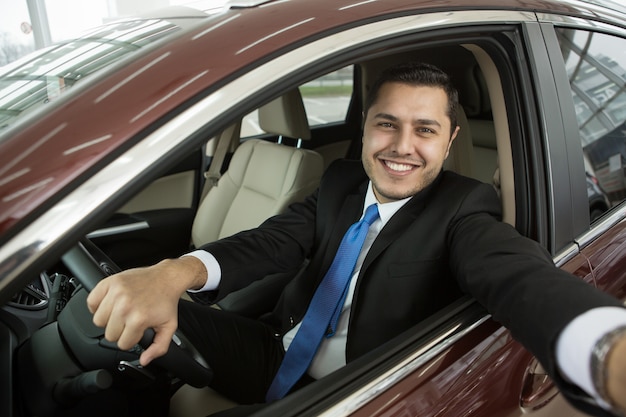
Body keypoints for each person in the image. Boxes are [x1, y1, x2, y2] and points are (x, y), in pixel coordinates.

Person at [87, 62, 626, 416]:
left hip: (354, 389)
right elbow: (269, 243)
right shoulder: (342, 182)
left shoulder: (465, 210)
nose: (402, 147)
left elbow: (519, 277)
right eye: (386, 124)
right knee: (106, 307)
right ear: (365, 126)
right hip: (276, 349)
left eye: (425, 130)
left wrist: (606, 346)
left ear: (451, 138)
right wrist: (172, 273)